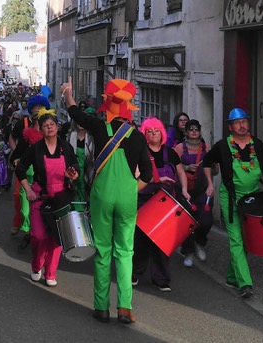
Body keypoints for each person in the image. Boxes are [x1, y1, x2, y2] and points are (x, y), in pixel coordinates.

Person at [61, 77, 152, 324]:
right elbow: (148, 175)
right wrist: (133, 189)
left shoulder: (100, 129)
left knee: (103, 252)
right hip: (127, 197)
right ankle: (125, 308)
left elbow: (75, 113)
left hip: (102, 195)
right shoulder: (138, 136)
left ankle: (101, 308)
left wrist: (68, 93)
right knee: (125, 252)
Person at [202, 108, 263, 299]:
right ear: (230, 127)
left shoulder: (257, 145)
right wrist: (209, 184)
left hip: (253, 198)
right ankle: (245, 284)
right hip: (230, 197)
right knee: (236, 239)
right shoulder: (223, 146)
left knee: (248, 239)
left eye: (244, 121)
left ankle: (232, 276)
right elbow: (206, 162)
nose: (242, 125)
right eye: (237, 123)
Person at [16, 109, 79, 287]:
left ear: (58, 127)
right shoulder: (35, 149)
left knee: (57, 238)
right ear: (41, 130)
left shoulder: (66, 147)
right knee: (39, 236)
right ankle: (37, 266)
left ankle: (50, 273)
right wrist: (28, 189)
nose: (49, 128)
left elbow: (74, 166)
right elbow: (20, 169)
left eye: (52, 124)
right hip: (40, 197)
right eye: (45, 125)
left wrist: (73, 174)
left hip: (61, 199)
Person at [132, 117, 189, 292]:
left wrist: (185, 190)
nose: (154, 134)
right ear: (145, 134)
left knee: (162, 241)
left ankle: (161, 279)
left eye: (156, 130)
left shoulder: (171, 153)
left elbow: (181, 173)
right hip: (144, 200)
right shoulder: (140, 152)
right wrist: (156, 179)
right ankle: (135, 273)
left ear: (162, 133)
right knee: (140, 240)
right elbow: (136, 176)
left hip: (166, 202)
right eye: (149, 131)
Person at [8, 95, 50, 247]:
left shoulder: (48, 126)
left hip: (42, 173)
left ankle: (33, 231)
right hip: (24, 170)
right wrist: (17, 157)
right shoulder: (23, 123)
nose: (38, 109)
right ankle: (21, 225)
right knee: (20, 200)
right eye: (35, 107)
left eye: (41, 107)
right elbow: (12, 139)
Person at [175, 119, 215, 267]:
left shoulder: (207, 148)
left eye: (196, 129)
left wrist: (210, 172)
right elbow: (173, 168)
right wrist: (185, 168)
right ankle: (188, 252)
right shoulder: (179, 148)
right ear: (186, 132)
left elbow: (214, 170)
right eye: (190, 129)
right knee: (186, 223)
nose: (193, 132)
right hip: (185, 191)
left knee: (206, 221)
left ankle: (200, 242)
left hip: (203, 191)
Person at [67, 109, 95, 206]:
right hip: (74, 168)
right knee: (73, 189)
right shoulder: (71, 135)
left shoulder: (91, 137)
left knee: (85, 190)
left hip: (87, 169)